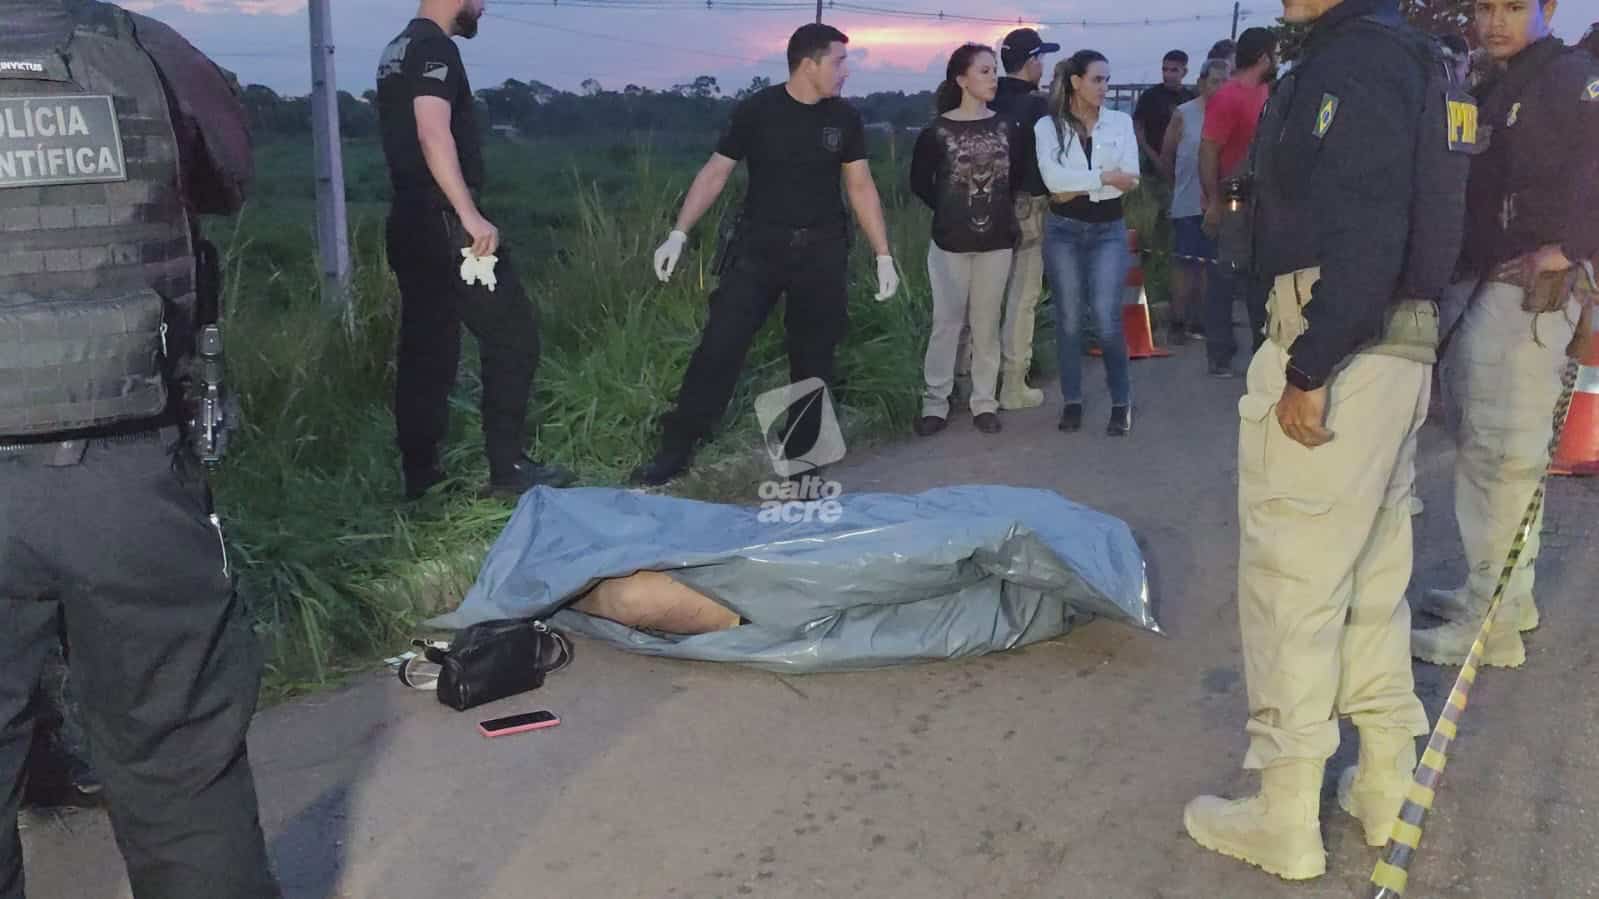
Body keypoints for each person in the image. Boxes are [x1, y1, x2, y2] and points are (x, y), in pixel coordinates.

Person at [1182, 0, 1472, 880]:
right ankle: (1383, 779)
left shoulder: (1353, 62)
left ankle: (1284, 813)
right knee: (1371, 574)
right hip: (1395, 343)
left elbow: (1367, 219)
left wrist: (1309, 364)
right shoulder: (1414, 58)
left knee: (1293, 584)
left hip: (1337, 339)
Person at [0, 1, 283, 896]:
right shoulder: (149, 52)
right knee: (179, 762)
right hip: (131, 477)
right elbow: (226, 180)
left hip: (120, 462)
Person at [1411, 0, 1599, 668]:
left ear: (1548, 9)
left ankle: (1488, 627)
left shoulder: (1567, 76)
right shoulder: (1503, 78)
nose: (1494, 20)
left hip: (1525, 296)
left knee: (1502, 457)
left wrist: (1571, 249)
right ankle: (1499, 599)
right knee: (1494, 452)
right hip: (1490, 285)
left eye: (1514, 6)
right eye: (1486, 7)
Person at [635, 23, 900, 485]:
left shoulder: (844, 118)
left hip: (822, 250)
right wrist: (679, 232)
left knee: (814, 357)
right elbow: (715, 172)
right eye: (839, 62)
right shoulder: (758, 111)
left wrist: (883, 254)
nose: (846, 71)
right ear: (809, 63)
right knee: (720, 346)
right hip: (759, 249)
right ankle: (675, 449)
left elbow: (860, 186)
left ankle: (804, 464)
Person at [376, 0, 573, 501]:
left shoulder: (396, 48)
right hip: (447, 225)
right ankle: (509, 470)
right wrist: (468, 214)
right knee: (514, 336)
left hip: (408, 220)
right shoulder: (434, 47)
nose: (482, 7)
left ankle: (421, 481)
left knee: (427, 350)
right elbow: (431, 129)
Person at [909, 43, 1026, 436]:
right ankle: (935, 403)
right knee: (947, 323)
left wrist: (1003, 212)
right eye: (984, 71)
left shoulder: (1008, 127)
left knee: (986, 324)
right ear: (961, 79)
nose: (993, 78)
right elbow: (919, 183)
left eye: (994, 70)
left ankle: (984, 402)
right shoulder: (936, 132)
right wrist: (949, 209)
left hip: (997, 242)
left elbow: (1016, 179)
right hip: (950, 244)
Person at [1035, 50, 1142, 436]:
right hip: (1063, 230)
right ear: (1076, 82)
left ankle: (1121, 401)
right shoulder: (1048, 127)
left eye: (1107, 80)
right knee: (1067, 321)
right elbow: (1053, 182)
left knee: (1106, 320)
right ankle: (1073, 401)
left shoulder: (1120, 123)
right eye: (1098, 79)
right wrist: (1104, 177)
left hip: (1108, 230)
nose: (1104, 87)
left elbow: (1132, 178)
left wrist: (1077, 184)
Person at [985, 27, 1061, 410]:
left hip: (981, 206)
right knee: (1022, 296)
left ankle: (974, 382)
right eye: (1040, 58)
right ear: (1031, 61)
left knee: (982, 298)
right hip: (1027, 206)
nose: (1042, 66)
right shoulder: (1036, 106)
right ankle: (1013, 384)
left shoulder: (986, 97)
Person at [1199, 27, 1278, 378]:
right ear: (1263, 57)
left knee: (1260, 279)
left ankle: (1263, 354)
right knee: (1225, 277)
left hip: (1262, 202)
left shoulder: (1267, 92)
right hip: (1231, 201)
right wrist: (1214, 202)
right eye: (1275, 53)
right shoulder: (1228, 97)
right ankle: (1219, 354)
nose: (1278, 60)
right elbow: (1208, 151)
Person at [1160, 57, 1232, 344]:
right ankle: (1178, 321)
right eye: (1215, 81)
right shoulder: (1184, 114)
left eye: (1226, 81)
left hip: (1222, 204)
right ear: (1202, 83)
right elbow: (1167, 155)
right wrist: (1175, 186)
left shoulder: (1232, 113)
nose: (1221, 87)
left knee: (1211, 266)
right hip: (1188, 201)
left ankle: (1201, 320)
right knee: (1185, 264)